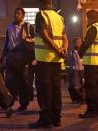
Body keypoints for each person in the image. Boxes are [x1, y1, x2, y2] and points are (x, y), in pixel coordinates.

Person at [29, 0, 68, 128]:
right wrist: (64, 50)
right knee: (56, 89)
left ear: (40, 4)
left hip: (45, 59)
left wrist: (57, 50)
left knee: (44, 90)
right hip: (57, 60)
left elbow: (44, 36)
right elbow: (64, 36)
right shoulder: (59, 17)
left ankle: (46, 120)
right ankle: (57, 119)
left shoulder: (41, 15)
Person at [0, 7, 35, 114]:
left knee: (23, 82)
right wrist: (2, 56)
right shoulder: (9, 27)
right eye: (15, 13)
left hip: (23, 59)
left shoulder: (28, 26)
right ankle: (8, 104)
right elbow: (7, 42)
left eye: (18, 13)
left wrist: (33, 58)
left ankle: (24, 104)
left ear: (23, 15)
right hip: (11, 58)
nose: (16, 15)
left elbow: (34, 41)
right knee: (9, 82)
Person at [78, 9, 98, 118]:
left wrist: (80, 52)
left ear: (90, 18)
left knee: (91, 87)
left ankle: (92, 111)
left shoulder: (93, 28)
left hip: (92, 63)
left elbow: (87, 43)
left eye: (87, 18)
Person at [68, 37, 85, 104]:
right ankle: (76, 98)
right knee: (75, 86)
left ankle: (82, 99)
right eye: (77, 42)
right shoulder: (72, 52)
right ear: (74, 43)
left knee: (82, 86)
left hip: (82, 70)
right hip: (75, 71)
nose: (79, 43)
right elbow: (71, 62)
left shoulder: (84, 51)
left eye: (80, 42)